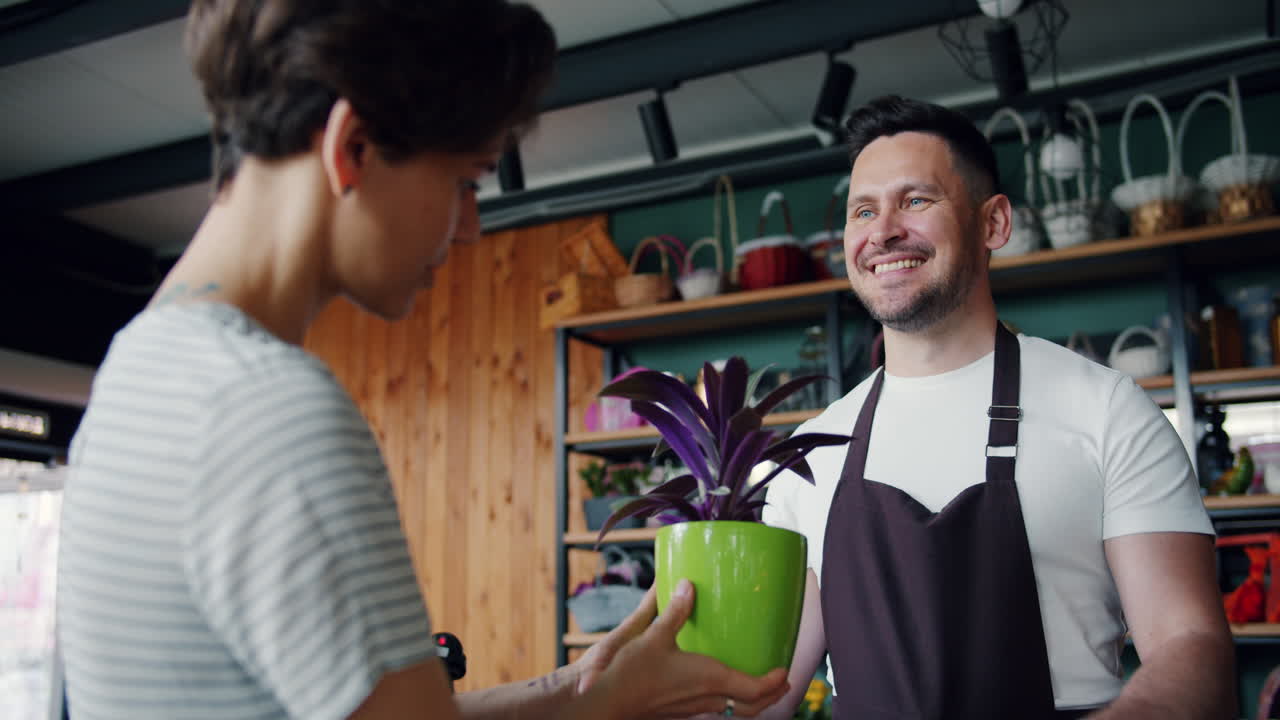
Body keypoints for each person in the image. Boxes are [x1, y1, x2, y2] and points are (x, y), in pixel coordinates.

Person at [54, 2, 788, 719]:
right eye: (465, 182)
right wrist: (611, 708)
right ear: (353, 147)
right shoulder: (268, 405)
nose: (468, 229)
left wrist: (579, 694)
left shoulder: (142, 368)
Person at [759, 96, 1236, 719]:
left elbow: (1191, 647)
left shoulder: (1107, 410)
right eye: (863, 210)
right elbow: (765, 692)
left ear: (994, 224)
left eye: (916, 200)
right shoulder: (812, 452)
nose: (882, 232)